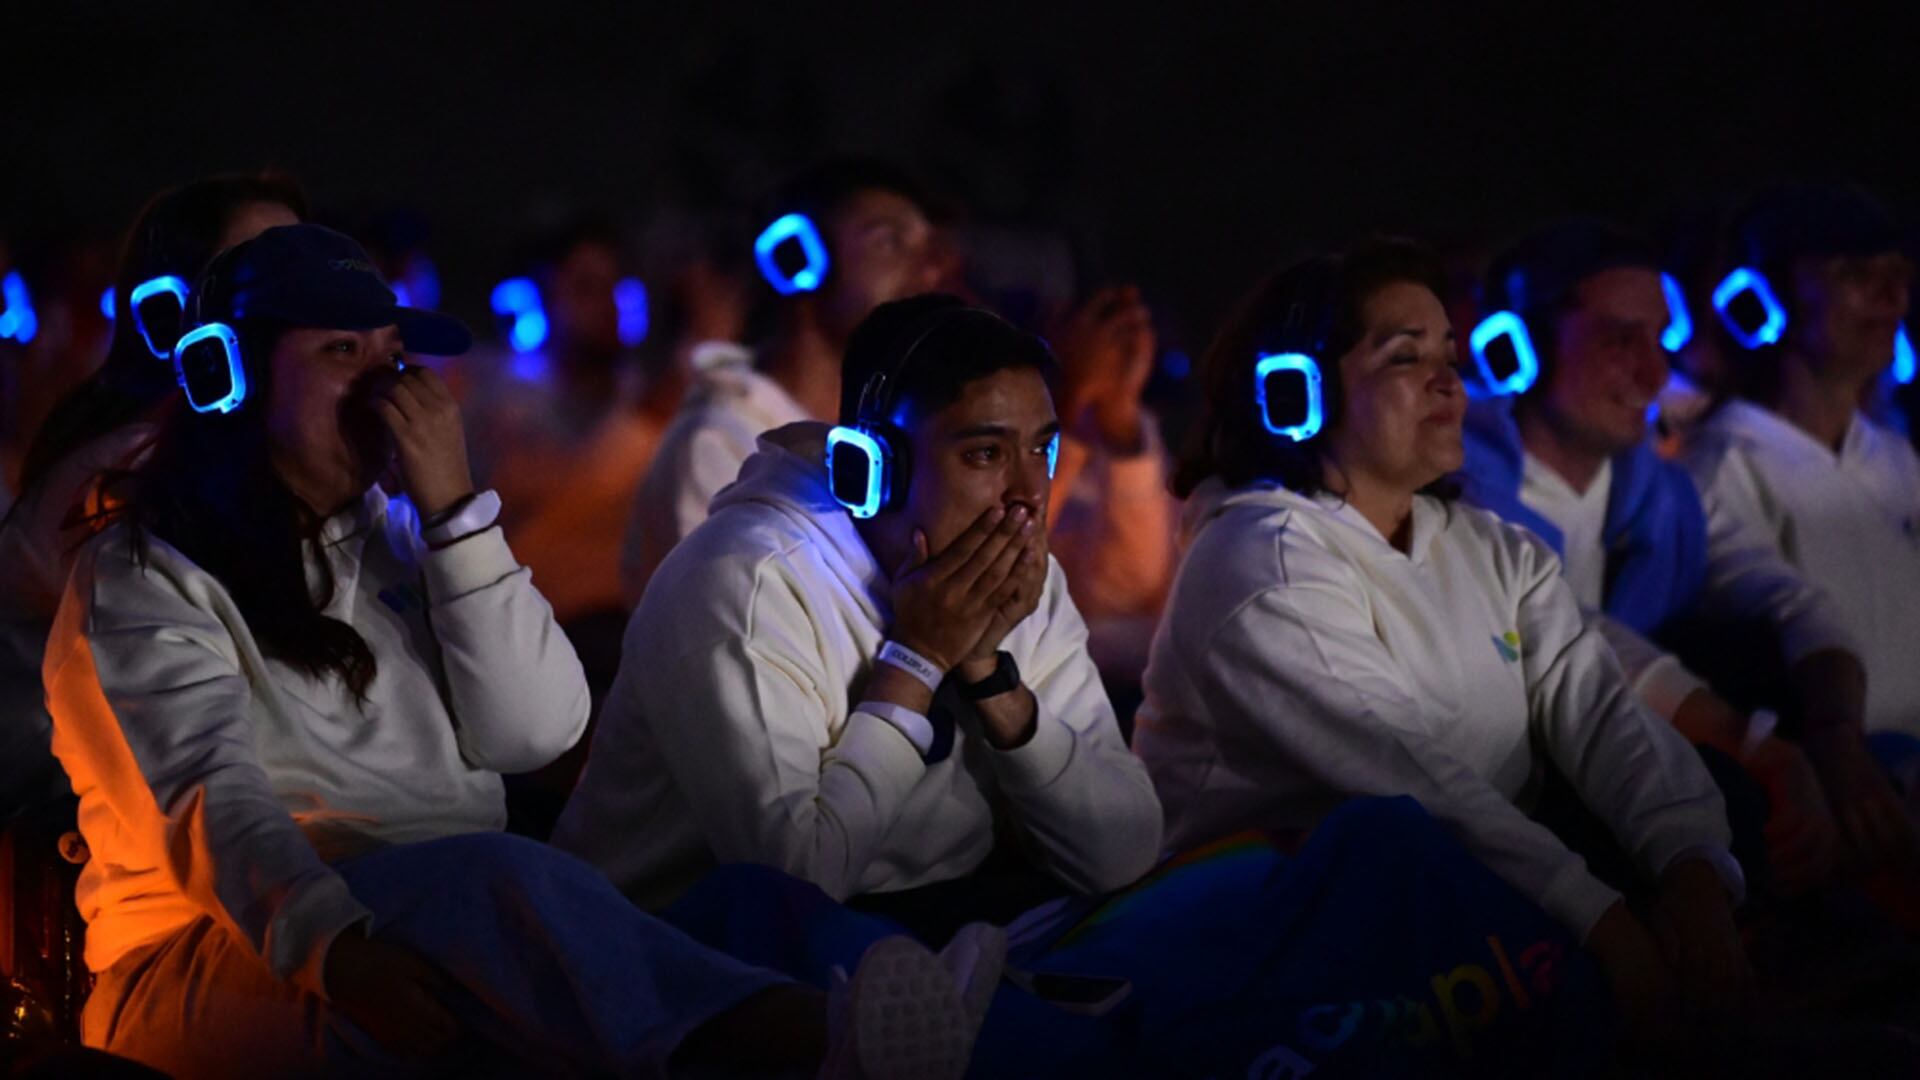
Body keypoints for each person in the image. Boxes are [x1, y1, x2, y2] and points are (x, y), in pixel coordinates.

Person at [43, 224, 986, 1078]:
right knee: (499, 882)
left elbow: (536, 731)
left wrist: (457, 516)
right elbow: (208, 797)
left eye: (395, 355)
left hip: (445, 913)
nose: (389, 386)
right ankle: (822, 1046)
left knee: (744, 904)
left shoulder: (408, 535)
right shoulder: (142, 570)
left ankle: (961, 1029)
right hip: (222, 956)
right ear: (225, 375)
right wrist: (335, 948)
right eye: (341, 353)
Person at [1133, 238, 1748, 1041]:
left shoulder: (1494, 549)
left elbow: (1604, 718)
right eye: (1404, 356)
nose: (1448, 381)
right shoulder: (1257, 558)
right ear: (1299, 391)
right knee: (1391, 840)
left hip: (1470, 907)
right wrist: (1605, 927)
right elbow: (1406, 776)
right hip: (1278, 940)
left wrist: (1693, 870)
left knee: (1709, 806)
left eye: (1448, 353)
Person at [559, 293, 1163, 915]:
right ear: (869, 468)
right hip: (670, 955)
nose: (1028, 493)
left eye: (1043, 449)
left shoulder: (1013, 571)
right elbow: (797, 883)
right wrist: (919, 658)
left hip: (920, 924)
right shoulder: (745, 581)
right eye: (985, 454)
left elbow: (1125, 852)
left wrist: (991, 678)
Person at [1456, 220, 1866, 894]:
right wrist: (1753, 747)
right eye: (1620, 340)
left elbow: (1791, 601)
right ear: (1520, 344)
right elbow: (1567, 624)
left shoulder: (1666, 496)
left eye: (1660, 338)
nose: (1654, 372)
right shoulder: (1451, 482)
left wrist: (1837, 742)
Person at [0, 171, 307, 820]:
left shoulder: (235, 448)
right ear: (169, 309)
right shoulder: (125, 469)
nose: (302, 296)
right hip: (65, 799)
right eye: (258, 271)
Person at [1684, 186, 1920, 822]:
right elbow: (1783, 608)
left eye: (1899, 275)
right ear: (1759, 298)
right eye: (1853, 273)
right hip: (1842, 801)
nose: (1891, 297)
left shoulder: (1897, 459)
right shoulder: (1724, 463)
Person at [621, 158, 947, 599]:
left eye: (928, 253)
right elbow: (734, 628)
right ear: (796, 257)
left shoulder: (895, 438)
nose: (928, 275)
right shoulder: (718, 443)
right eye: (889, 243)